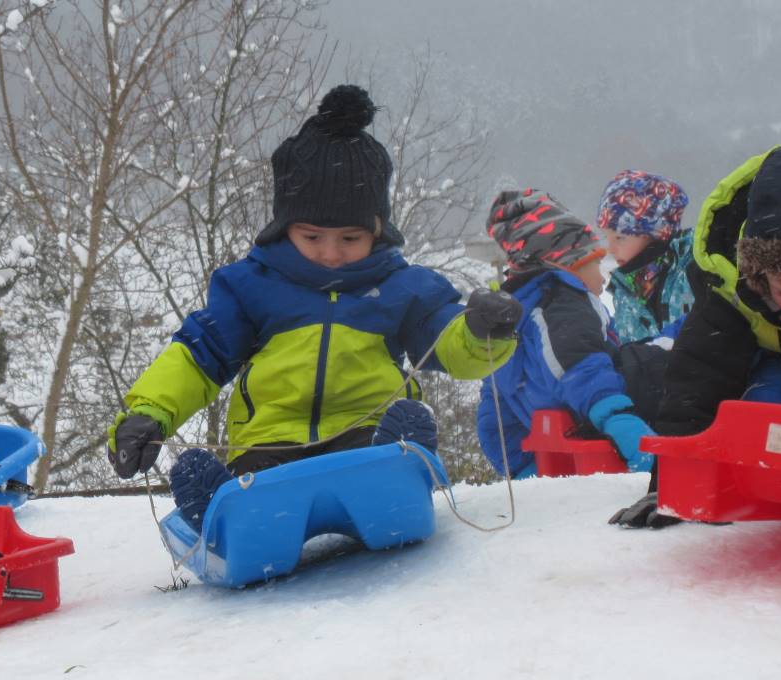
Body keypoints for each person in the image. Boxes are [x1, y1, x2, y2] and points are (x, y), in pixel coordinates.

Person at [105, 85, 523, 528]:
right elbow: (197, 357)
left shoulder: (402, 288)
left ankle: (400, 468)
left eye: (350, 238)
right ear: (284, 228)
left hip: (365, 432)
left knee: (378, 454)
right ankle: (225, 510)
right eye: (312, 237)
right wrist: (149, 413)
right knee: (259, 483)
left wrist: (482, 331)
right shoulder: (252, 286)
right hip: (270, 442)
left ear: (377, 231)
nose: (331, 253)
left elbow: (447, 341)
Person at [612, 143, 781, 528]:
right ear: (759, 275)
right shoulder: (732, 287)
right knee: (769, 424)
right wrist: (673, 485)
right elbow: (698, 379)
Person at [476, 189, 656, 479]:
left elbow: (494, 416)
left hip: (566, 446)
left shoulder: (514, 318)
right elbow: (582, 367)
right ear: (566, 265)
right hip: (602, 427)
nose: (603, 277)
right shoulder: (564, 302)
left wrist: (523, 470)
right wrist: (621, 420)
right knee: (666, 356)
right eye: (595, 263)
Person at [596, 170, 695, 343]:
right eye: (607, 238)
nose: (610, 250)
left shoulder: (693, 269)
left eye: (620, 238)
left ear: (654, 233)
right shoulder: (624, 291)